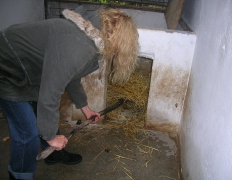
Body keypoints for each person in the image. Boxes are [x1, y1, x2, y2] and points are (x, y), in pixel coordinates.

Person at [0, 5, 139, 180]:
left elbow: (70, 75)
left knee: (42, 112)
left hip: (28, 69)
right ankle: (20, 175)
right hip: (6, 68)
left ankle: (53, 155)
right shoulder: (78, 46)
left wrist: (85, 108)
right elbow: (50, 94)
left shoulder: (90, 38)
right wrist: (51, 136)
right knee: (27, 132)